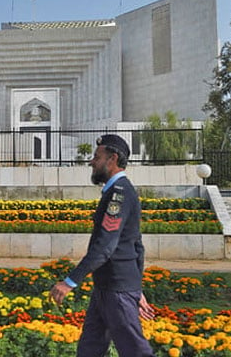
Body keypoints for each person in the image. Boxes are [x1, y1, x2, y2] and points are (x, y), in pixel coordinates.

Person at [49, 134, 155, 357]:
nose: (91, 162)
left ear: (112, 159)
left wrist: (69, 282)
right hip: (107, 288)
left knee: (136, 350)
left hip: (116, 288)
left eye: (97, 157)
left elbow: (104, 247)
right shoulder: (115, 192)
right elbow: (137, 245)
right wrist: (136, 287)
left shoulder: (120, 194)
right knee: (90, 348)